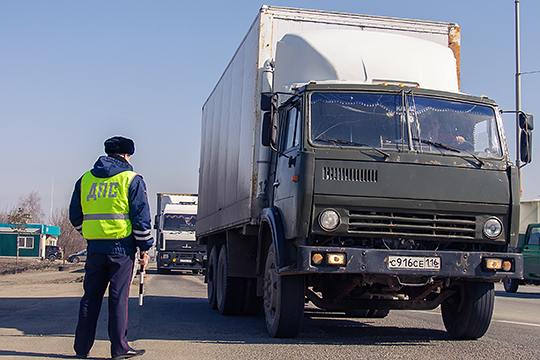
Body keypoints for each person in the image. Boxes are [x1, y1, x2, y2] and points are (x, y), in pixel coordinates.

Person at [69, 136, 154, 360]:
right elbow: (141, 219)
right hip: (122, 250)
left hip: (94, 249)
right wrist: (144, 248)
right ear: (127, 155)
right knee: (118, 299)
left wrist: (89, 234)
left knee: (90, 298)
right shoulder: (131, 179)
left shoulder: (85, 179)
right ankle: (119, 349)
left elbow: (75, 215)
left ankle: (81, 349)